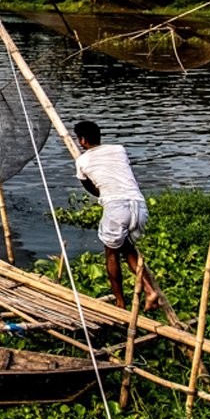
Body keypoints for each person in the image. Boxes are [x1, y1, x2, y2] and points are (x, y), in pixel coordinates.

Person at [72, 119, 160, 309]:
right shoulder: (119, 149)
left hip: (117, 208)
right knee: (127, 248)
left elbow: (92, 190)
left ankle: (120, 302)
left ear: (82, 141)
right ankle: (149, 291)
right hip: (139, 206)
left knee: (111, 254)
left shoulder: (82, 161)